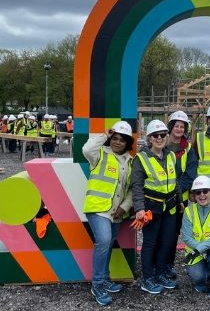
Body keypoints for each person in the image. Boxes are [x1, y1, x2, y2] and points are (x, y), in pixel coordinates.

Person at [82, 121, 134, 307]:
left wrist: (126, 206)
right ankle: (97, 285)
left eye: (122, 140)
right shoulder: (100, 154)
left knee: (109, 244)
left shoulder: (130, 161)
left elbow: (131, 189)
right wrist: (105, 135)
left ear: (128, 143)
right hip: (98, 208)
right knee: (103, 241)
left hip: (117, 213)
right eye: (115, 138)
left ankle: (104, 279)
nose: (117, 142)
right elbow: (87, 149)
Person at [131, 120, 180, 295]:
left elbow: (175, 182)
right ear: (149, 139)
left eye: (163, 135)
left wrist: (180, 200)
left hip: (170, 206)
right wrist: (139, 209)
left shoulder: (171, 156)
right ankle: (148, 278)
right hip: (151, 207)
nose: (160, 138)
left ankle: (160, 273)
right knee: (150, 243)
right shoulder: (141, 159)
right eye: (156, 136)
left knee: (166, 243)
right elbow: (136, 185)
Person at [181, 176, 210, 300]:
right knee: (198, 278)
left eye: (205, 191)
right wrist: (201, 250)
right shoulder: (188, 211)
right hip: (195, 252)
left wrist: (200, 249)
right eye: (198, 192)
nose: (202, 195)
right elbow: (186, 237)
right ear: (194, 196)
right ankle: (209, 276)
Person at [165, 110, 198, 279]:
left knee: (173, 234)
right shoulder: (160, 144)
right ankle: (157, 265)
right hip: (159, 197)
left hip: (180, 200)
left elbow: (190, 174)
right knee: (157, 233)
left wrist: (175, 191)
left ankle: (168, 265)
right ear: (170, 127)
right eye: (176, 125)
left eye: (182, 126)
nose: (178, 129)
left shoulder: (189, 149)